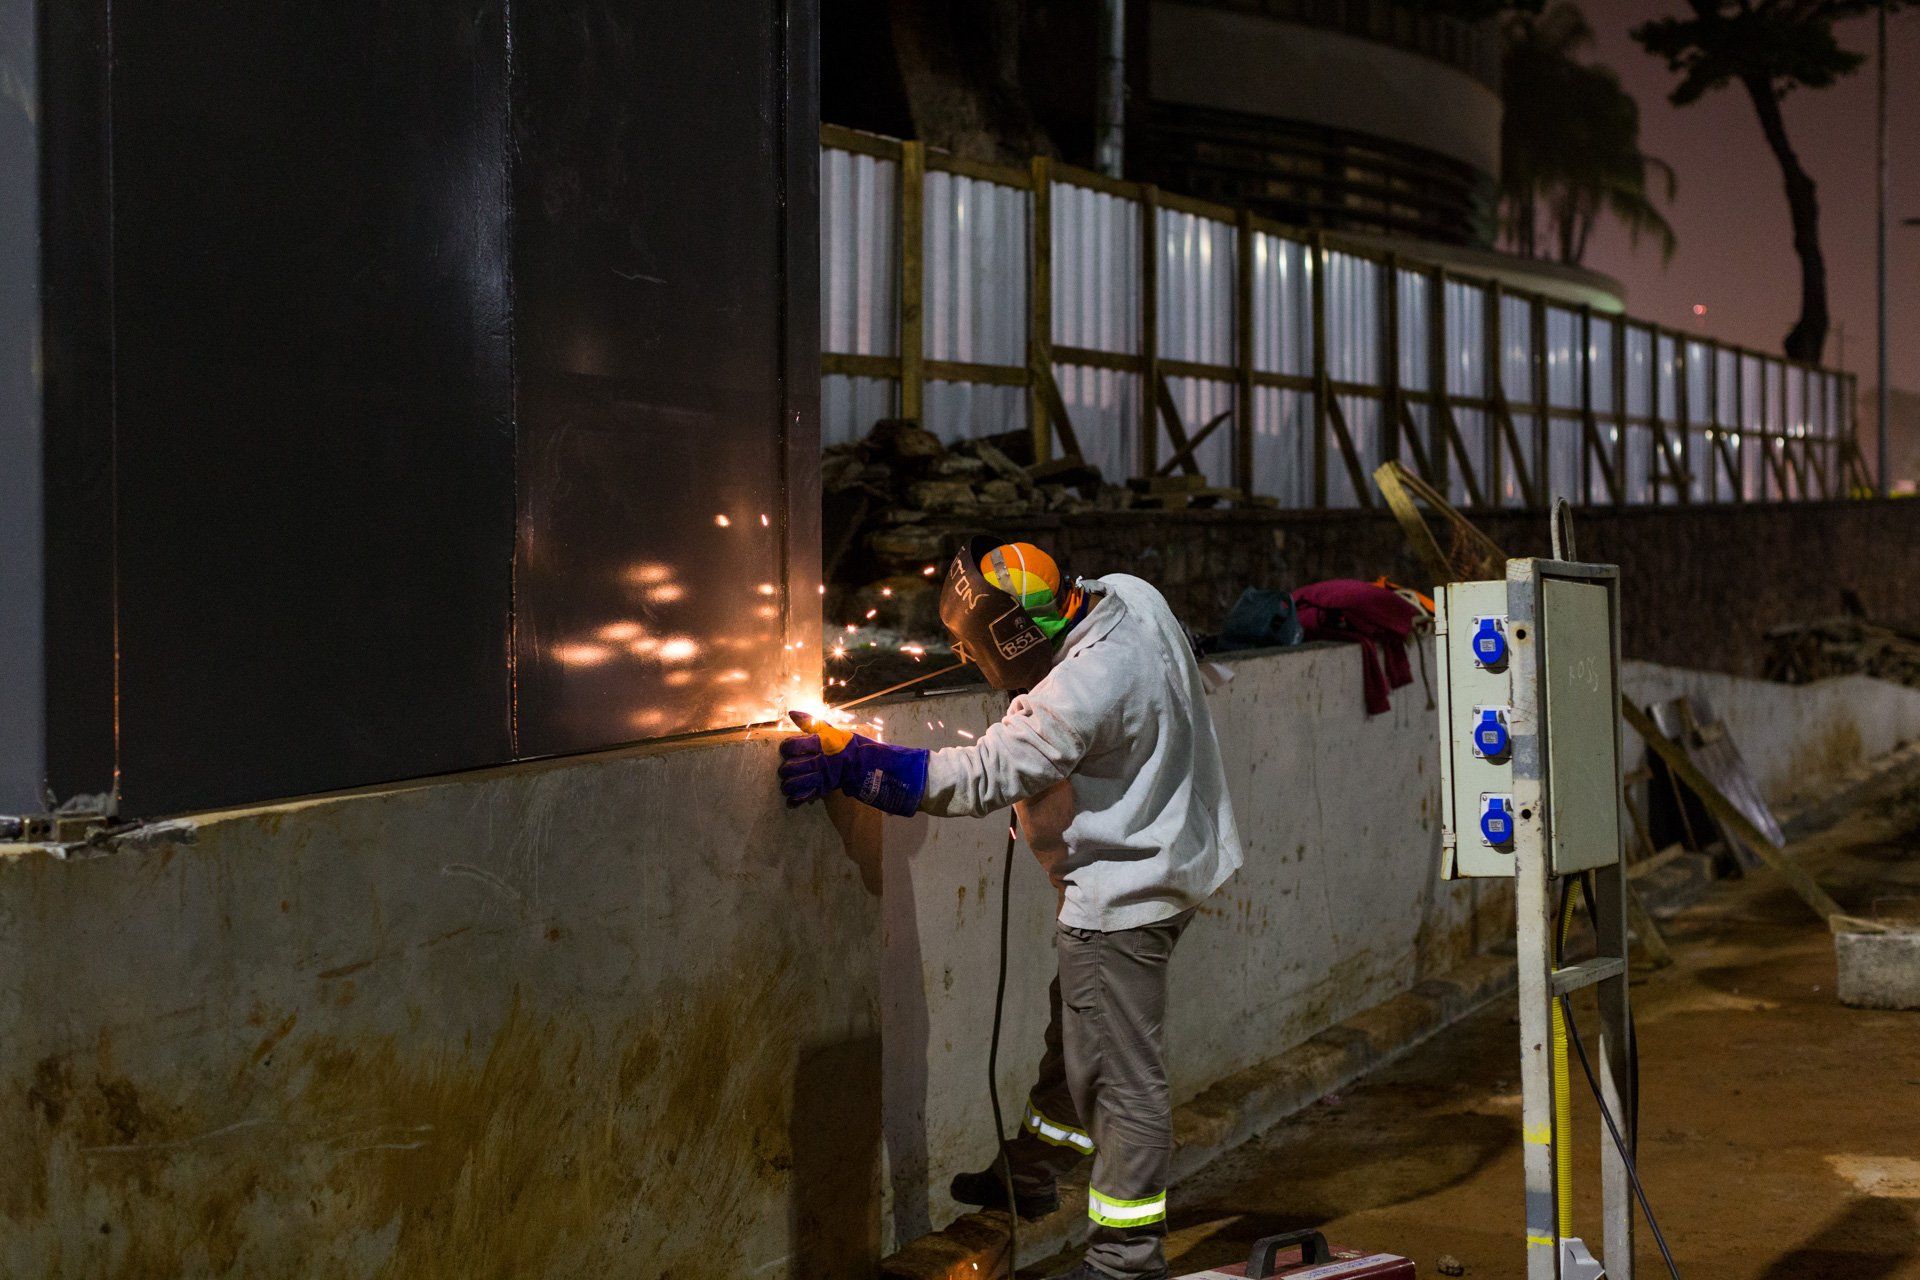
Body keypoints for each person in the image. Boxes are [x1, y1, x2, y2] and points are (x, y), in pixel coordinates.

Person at [779, 537, 1242, 1280]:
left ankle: (1127, 1259)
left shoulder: (1079, 690)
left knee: (1120, 1084)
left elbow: (981, 772)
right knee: (1082, 1031)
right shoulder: (1130, 593)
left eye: (973, 648)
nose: (964, 661)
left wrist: (857, 760)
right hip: (1178, 849)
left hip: (1123, 899)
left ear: (1017, 640)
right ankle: (1033, 1164)